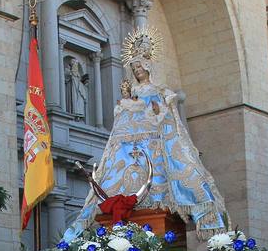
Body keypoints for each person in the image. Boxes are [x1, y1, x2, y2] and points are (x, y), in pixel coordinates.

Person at [66, 30, 229, 237]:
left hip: (151, 137)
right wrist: (126, 105)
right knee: (118, 166)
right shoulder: (131, 95)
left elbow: (165, 113)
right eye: (134, 68)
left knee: (160, 164)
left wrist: (156, 109)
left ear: (147, 67)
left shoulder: (159, 90)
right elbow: (124, 115)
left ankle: (165, 196)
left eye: (139, 67)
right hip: (127, 141)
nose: (137, 71)